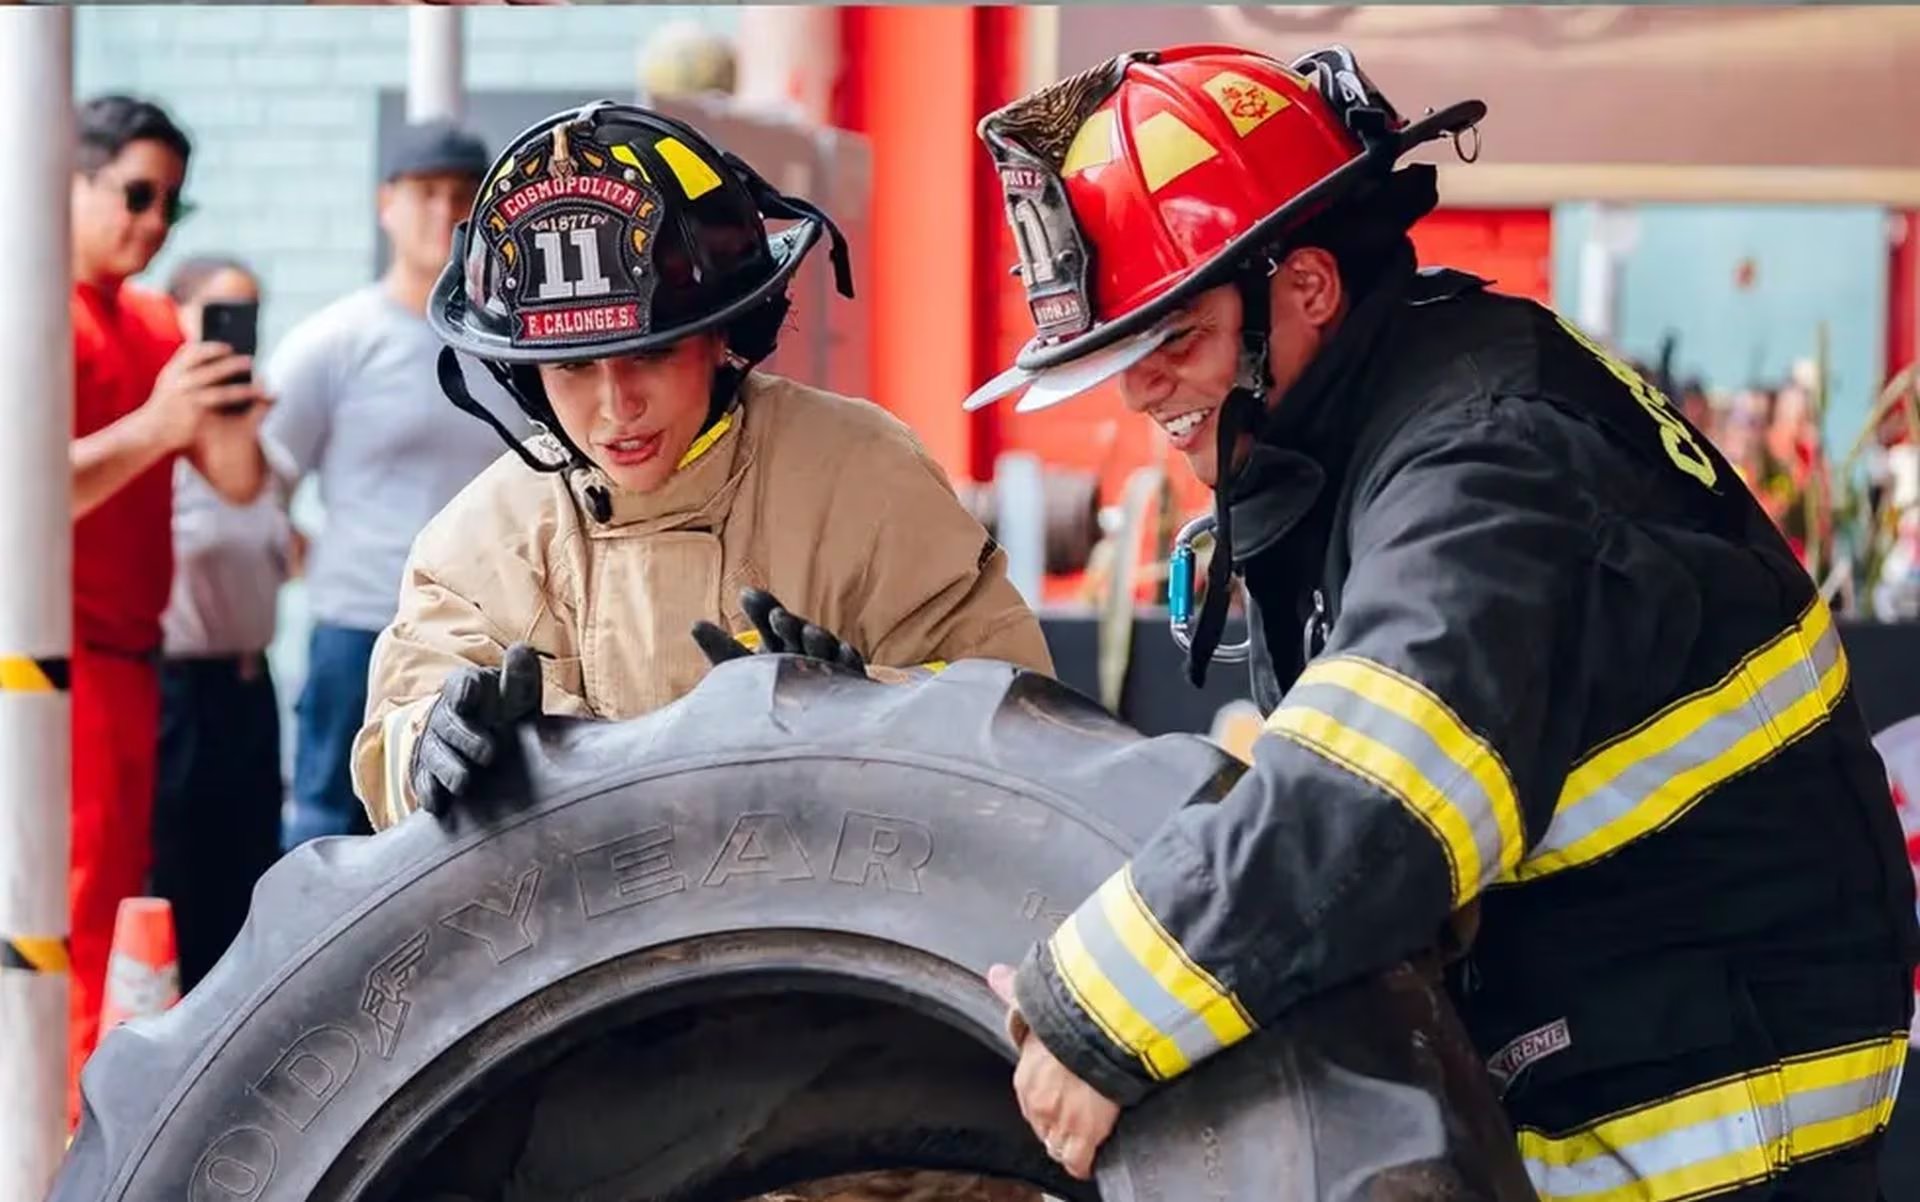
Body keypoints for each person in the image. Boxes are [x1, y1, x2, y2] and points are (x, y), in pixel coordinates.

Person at [962, 44, 1919, 1200]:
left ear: (1305, 287)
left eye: (1173, 338)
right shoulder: (1391, 414)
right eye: (1121, 354)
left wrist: (1094, 1009)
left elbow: (1381, 791)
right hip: (1631, 1030)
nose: (1139, 391)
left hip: (1704, 1108)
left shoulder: (1483, 454)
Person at [348, 101, 1051, 1202]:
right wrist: (432, 749)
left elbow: (1028, 723)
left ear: (730, 329)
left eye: (650, 353)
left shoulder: (861, 479)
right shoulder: (484, 536)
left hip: (887, 1099)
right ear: (524, 373)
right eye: (573, 371)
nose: (616, 406)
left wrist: (878, 708)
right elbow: (403, 725)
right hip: (605, 1102)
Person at [66, 95, 271, 1122]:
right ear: (74, 177)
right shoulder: (32, 306)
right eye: (137, 196)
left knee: (120, 904)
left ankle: (85, 1120)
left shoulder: (151, 319)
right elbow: (29, 496)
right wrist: (161, 424)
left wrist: (223, 409)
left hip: (135, 657)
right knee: (68, 904)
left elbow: (236, 480)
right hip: (53, 663)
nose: (151, 224)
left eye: (170, 208)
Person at [261, 118, 529, 851]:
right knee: (330, 828)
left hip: (489, 634)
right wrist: (314, 560)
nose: (444, 213)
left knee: (475, 830)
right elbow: (259, 482)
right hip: (359, 627)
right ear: (387, 203)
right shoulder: (335, 341)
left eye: (462, 196)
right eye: (425, 192)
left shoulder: (512, 345)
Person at [151, 255, 292, 991]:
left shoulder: (254, 442)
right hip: (179, 687)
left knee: (248, 874)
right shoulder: (159, 435)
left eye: (248, 315)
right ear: (175, 316)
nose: (235, 334)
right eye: (217, 314)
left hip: (248, 686)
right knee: (176, 877)